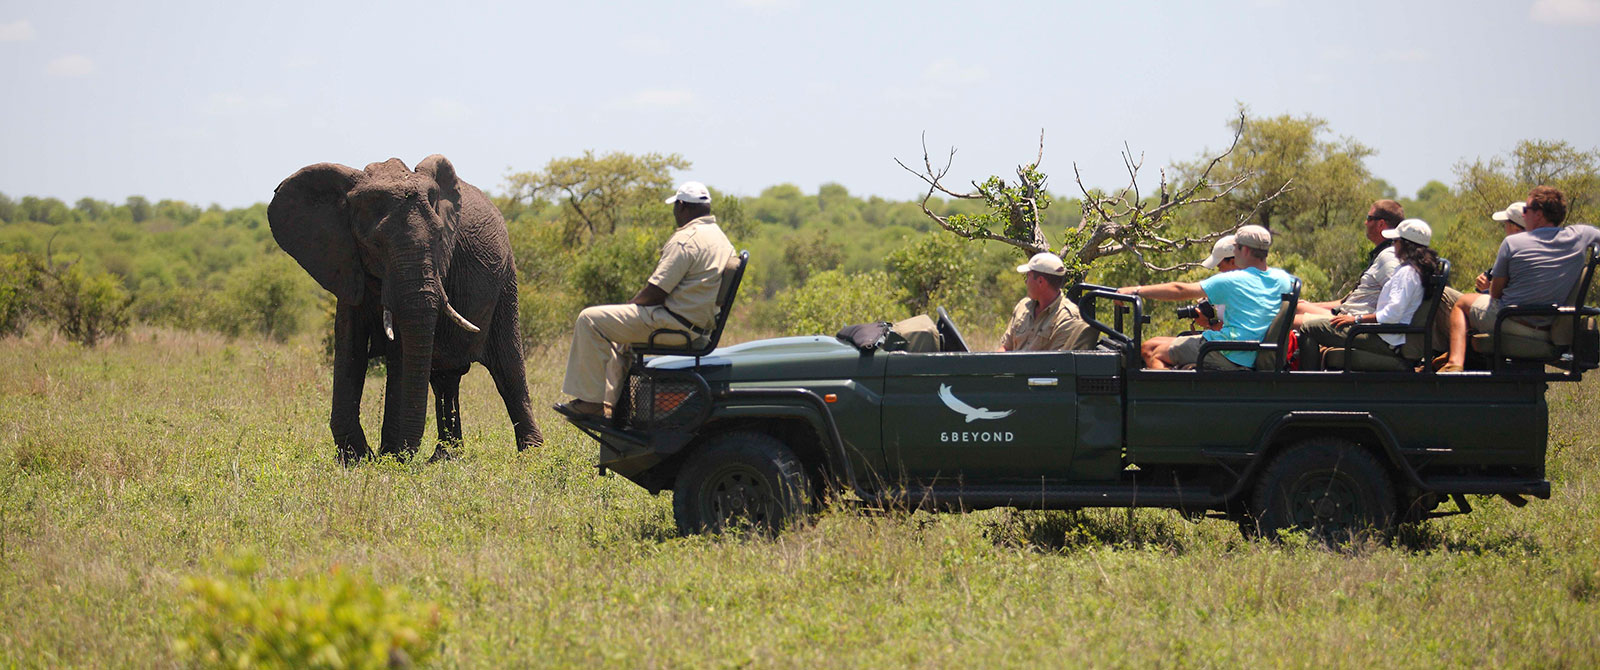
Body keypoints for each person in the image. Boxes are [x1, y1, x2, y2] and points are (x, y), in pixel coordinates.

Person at [556, 182, 735, 416]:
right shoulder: (721, 239)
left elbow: (655, 292)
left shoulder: (687, 239)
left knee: (590, 319)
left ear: (681, 206)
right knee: (620, 334)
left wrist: (629, 308)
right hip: (698, 329)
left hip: (674, 325)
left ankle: (591, 402)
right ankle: (611, 405)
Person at [1440, 186, 1600, 372]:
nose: (1524, 215)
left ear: (1539, 214)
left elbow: (1495, 293)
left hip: (1511, 319)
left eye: (1526, 210)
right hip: (1550, 324)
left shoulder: (1512, 243)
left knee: (1462, 302)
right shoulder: (1580, 235)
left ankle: (1454, 363)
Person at [1119, 225, 1296, 370]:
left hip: (1226, 352)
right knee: (1159, 343)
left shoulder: (1232, 280)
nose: (1234, 251)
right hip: (1251, 354)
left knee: (1153, 352)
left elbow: (1179, 289)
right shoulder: (1286, 280)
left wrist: (1136, 290)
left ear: (1246, 250)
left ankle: (1173, 408)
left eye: (1236, 247)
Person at [1292, 200, 1403, 368]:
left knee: (1292, 321)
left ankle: (1306, 384)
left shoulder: (1389, 257)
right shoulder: (1381, 254)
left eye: (1369, 217)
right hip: (1348, 315)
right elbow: (1348, 300)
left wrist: (1358, 319)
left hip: (1357, 322)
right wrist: (1311, 304)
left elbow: (1397, 296)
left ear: (1381, 224)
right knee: (1296, 307)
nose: (1365, 222)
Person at [1322, 219, 1441, 364]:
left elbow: (1392, 315)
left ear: (1405, 244)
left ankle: (1305, 384)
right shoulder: (1418, 271)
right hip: (1387, 336)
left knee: (1309, 328)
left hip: (1384, 339)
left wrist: (1356, 319)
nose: (1393, 245)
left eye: (1395, 241)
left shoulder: (1408, 274)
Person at [998, 252, 1097, 352]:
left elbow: (1053, 363)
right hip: (1009, 366)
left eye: (1028, 276)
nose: (1026, 282)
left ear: (1040, 281)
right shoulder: (1023, 306)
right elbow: (1005, 347)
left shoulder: (1068, 319)